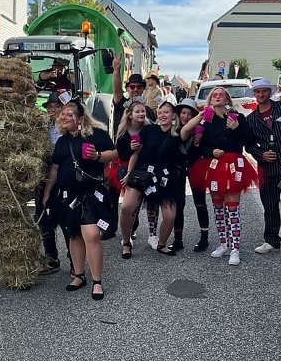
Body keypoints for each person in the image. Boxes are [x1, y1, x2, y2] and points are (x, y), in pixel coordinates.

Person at [43, 101, 118, 300]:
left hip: (91, 193)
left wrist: (97, 155)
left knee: (91, 235)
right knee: (74, 234)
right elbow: (55, 168)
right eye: (63, 115)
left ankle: (97, 281)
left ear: (80, 118)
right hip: (68, 195)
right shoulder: (61, 141)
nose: (64, 118)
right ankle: (78, 275)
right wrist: (47, 192)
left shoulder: (96, 135)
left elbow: (114, 154)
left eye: (69, 115)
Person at [182, 87, 258, 265]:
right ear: (209, 100)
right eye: (214, 95)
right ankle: (224, 243)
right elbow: (200, 146)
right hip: (213, 164)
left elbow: (248, 141)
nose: (217, 97)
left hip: (233, 164)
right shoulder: (206, 121)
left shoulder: (237, 117)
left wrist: (237, 128)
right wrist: (211, 150)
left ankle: (235, 249)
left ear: (227, 100)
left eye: (221, 95)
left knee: (232, 208)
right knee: (217, 206)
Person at [245, 78, 281, 260]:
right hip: (266, 168)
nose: (260, 94)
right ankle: (271, 240)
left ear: (270, 92)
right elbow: (249, 145)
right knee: (269, 205)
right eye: (257, 92)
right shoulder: (251, 119)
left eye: (264, 91)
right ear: (254, 94)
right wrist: (261, 154)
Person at [118, 101, 183, 258]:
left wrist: (203, 113)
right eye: (160, 112)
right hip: (142, 173)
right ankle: (126, 243)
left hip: (166, 178)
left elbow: (190, 127)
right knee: (127, 207)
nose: (162, 115)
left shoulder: (178, 133)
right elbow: (136, 153)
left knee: (170, 216)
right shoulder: (148, 130)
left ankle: (162, 244)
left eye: (166, 112)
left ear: (174, 115)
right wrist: (129, 173)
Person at [109, 55, 156, 241]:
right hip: (120, 155)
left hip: (139, 159)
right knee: (111, 192)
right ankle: (112, 227)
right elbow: (116, 90)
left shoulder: (148, 111)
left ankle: (132, 227)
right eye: (132, 87)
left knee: (135, 197)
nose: (135, 89)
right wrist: (116, 70)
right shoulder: (122, 103)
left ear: (143, 89)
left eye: (138, 87)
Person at [37, 92, 69, 275]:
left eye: (56, 107)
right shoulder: (43, 127)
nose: (52, 110)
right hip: (45, 174)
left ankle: (74, 260)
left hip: (63, 175)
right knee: (44, 218)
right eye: (50, 107)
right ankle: (51, 259)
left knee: (66, 219)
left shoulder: (68, 127)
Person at [173, 98, 210, 252]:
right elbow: (183, 133)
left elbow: (205, 148)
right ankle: (177, 239)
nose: (186, 116)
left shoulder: (201, 129)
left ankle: (204, 238)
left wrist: (198, 143)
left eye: (189, 113)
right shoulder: (173, 128)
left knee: (200, 202)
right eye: (183, 113)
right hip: (179, 167)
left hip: (196, 165)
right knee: (178, 203)